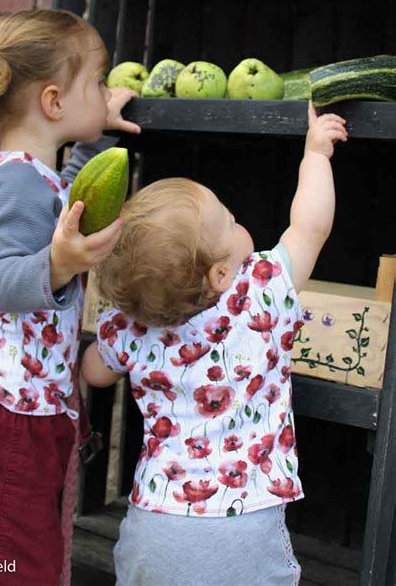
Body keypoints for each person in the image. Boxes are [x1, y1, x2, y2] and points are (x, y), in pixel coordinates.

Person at [81, 103, 348, 585]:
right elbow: (311, 227)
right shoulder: (259, 291)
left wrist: (99, 345)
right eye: (231, 220)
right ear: (221, 273)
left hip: (152, 524)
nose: (239, 220)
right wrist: (315, 155)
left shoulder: (130, 326)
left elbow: (95, 373)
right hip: (241, 525)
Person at [0, 9, 140, 585]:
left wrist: (104, 127)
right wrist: (58, 263)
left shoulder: (30, 171)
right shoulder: (19, 180)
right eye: (97, 82)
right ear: (53, 102)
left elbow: (69, 190)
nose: (106, 90)